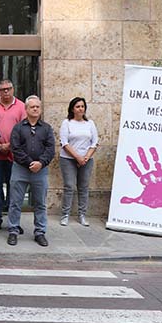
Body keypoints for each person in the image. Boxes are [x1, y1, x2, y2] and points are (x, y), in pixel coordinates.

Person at [7, 95, 55, 247]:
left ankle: (40, 232)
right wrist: (29, 163)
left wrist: (41, 163)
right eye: (32, 107)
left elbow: (50, 149)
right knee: (15, 202)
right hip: (20, 169)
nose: (35, 109)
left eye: (37, 107)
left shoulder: (46, 129)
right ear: (26, 109)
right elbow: (15, 148)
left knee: (40, 203)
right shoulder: (18, 128)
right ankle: (13, 230)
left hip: (40, 171)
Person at [0, 79, 26, 233]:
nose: (6, 92)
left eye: (8, 89)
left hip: (15, 156)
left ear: (13, 89)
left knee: (14, 190)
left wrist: (10, 145)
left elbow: (24, 130)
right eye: (3, 89)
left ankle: (13, 222)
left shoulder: (22, 107)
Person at [59, 96, 99, 227]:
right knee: (69, 186)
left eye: (82, 106)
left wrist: (86, 157)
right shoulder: (67, 123)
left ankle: (82, 214)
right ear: (72, 109)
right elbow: (64, 143)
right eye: (77, 106)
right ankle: (65, 215)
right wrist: (77, 157)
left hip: (86, 160)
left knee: (83, 187)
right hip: (68, 159)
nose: (80, 109)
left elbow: (95, 142)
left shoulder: (90, 124)